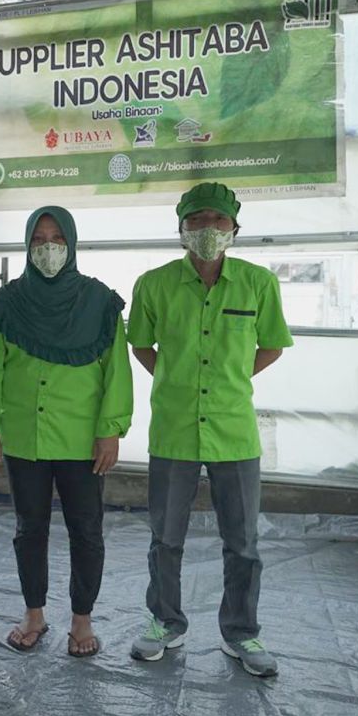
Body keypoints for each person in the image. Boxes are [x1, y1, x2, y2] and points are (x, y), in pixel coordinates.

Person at [126, 182, 292, 677]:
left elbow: (273, 345)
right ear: (181, 229)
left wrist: (229, 381)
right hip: (174, 429)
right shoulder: (153, 284)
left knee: (242, 541)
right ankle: (165, 623)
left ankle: (242, 634)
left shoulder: (259, 283)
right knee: (165, 537)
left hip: (234, 431)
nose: (207, 230)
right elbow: (140, 345)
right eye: (196, 221)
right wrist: (178, 381)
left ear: (234, 229)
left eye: (218, 221)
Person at [0, 206, 132, 658]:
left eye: (57, 239)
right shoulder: (6, 303)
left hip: (83, 441)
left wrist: (111, 431)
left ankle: (81, 620)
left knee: (86, 530)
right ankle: (34, 614)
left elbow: (116, 373)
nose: (48, 248)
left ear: (72, 244)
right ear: (27, 246)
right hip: (25, 438)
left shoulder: (100, 302)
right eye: (39, 240)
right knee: (30, 528)